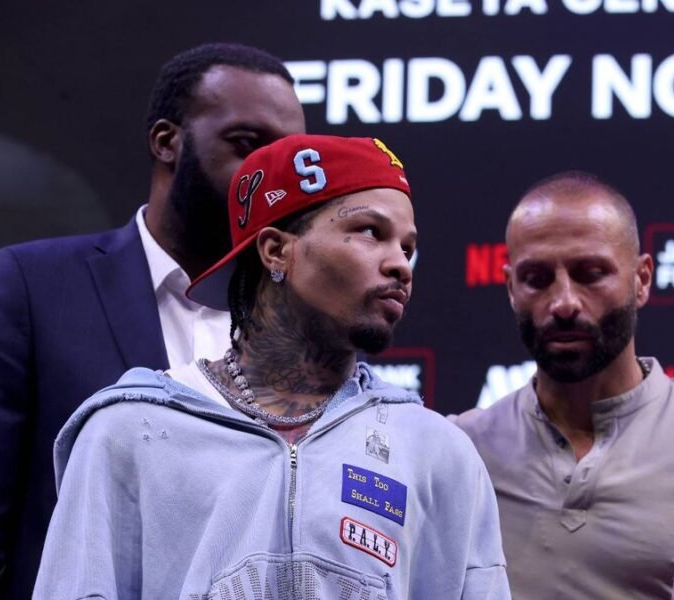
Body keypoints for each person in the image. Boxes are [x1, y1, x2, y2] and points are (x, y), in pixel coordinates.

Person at [33, 134, 511, 599]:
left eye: (407, 247)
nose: (402, 266)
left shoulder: (435, 451)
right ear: (276, 250)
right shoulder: (131, 431)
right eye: (371, 232)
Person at [0, 43, 305, 597]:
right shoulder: (34, 286)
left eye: (287, 157)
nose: (269, 176)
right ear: (166, 142)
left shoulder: (304, 323)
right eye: (247, 145)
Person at [455, 172, 674, 598]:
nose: (564, 303)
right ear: (511, 288)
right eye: (536, 278)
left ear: (642, 279)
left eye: (590, 274)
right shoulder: (461, 451)